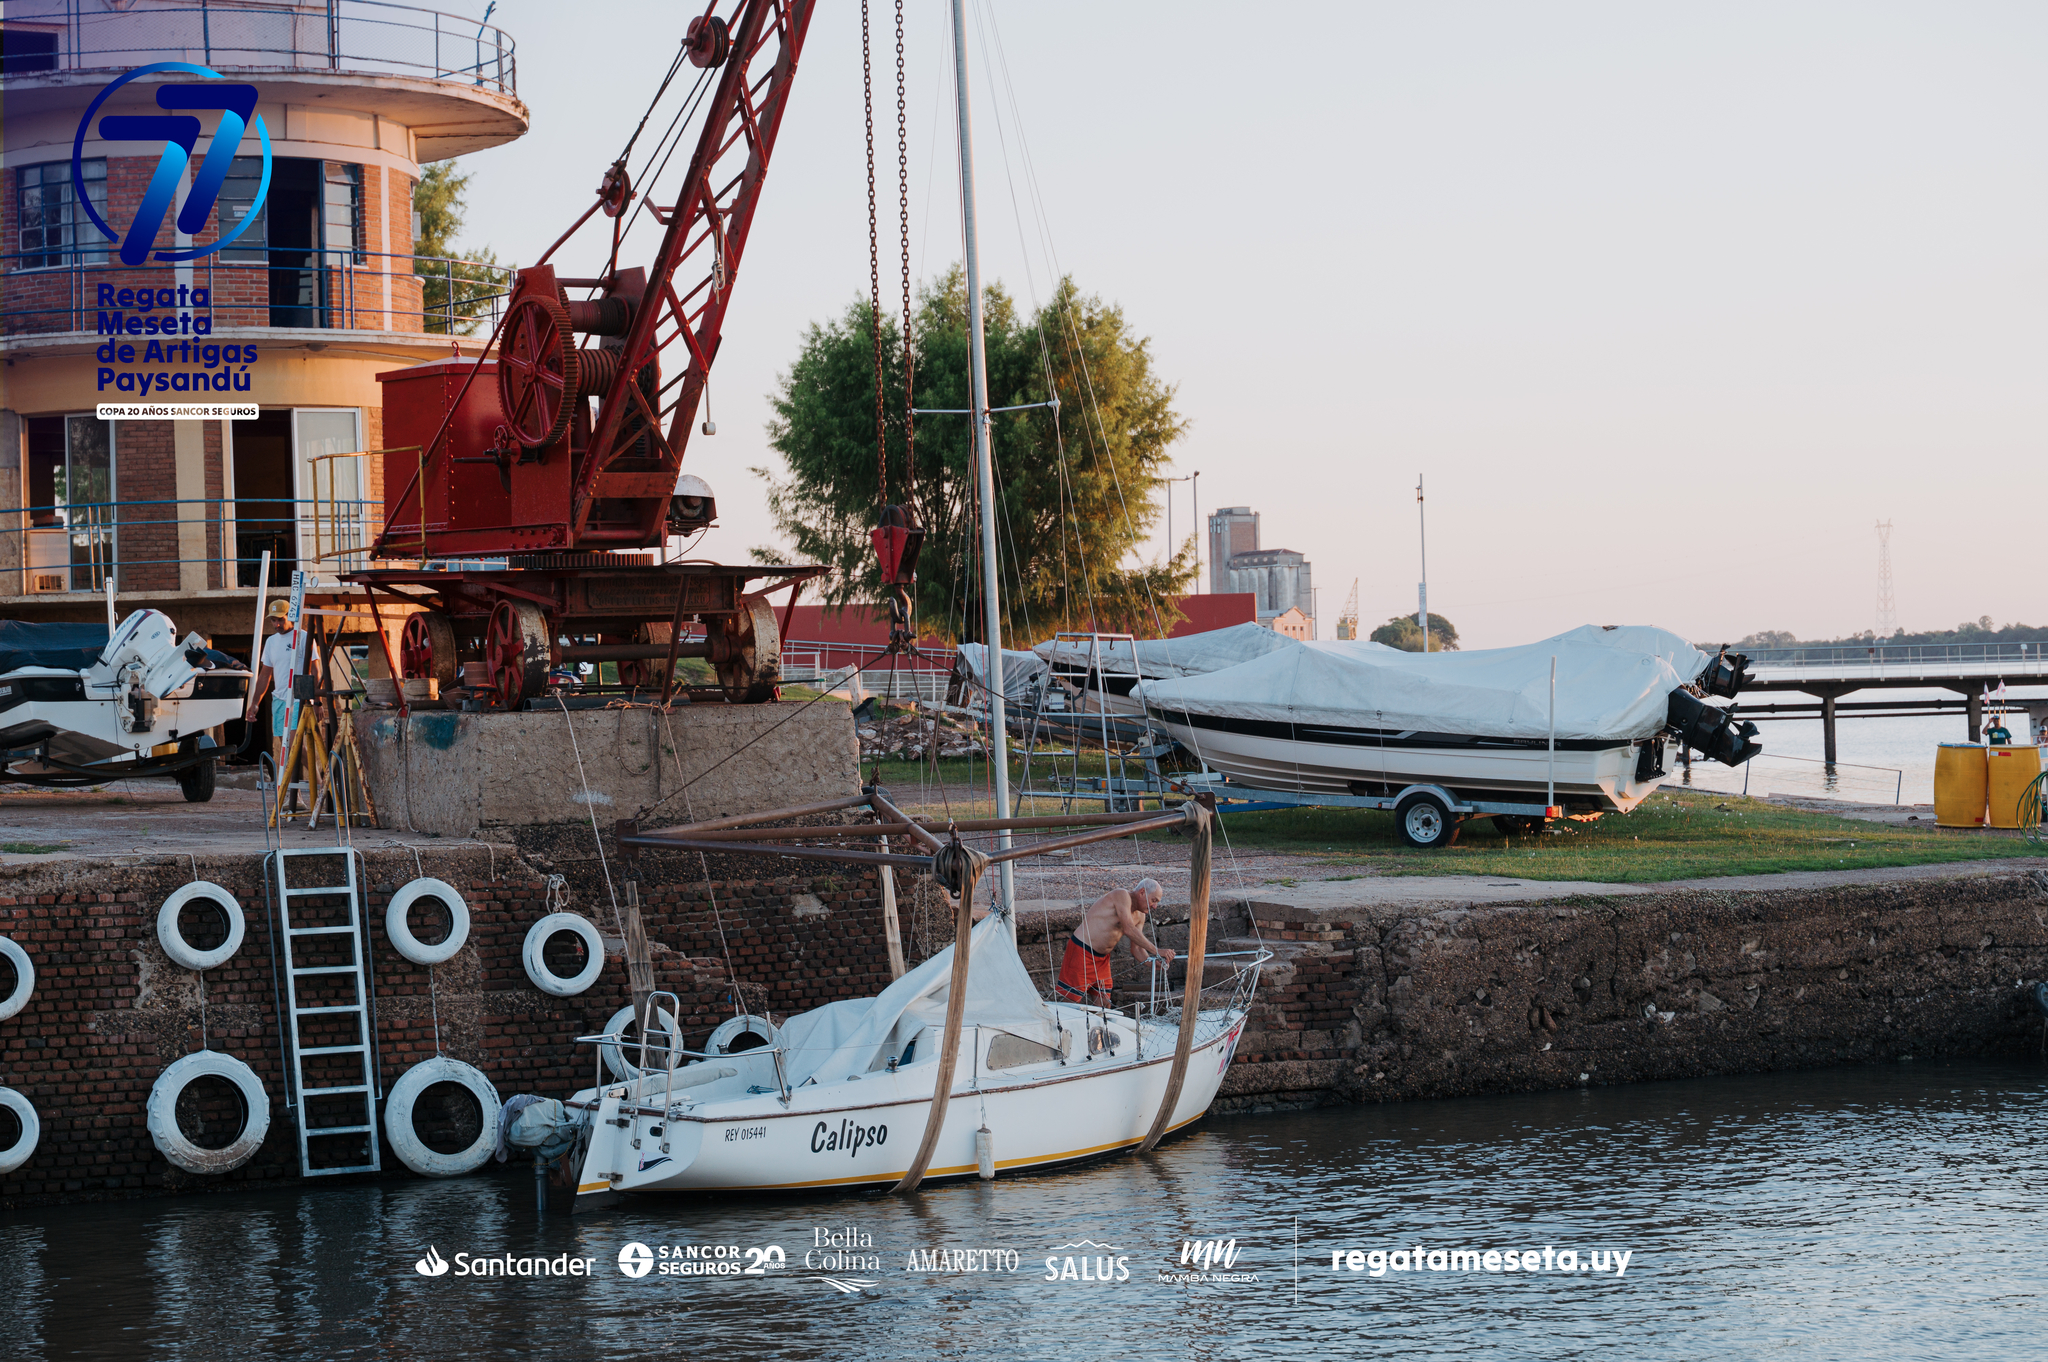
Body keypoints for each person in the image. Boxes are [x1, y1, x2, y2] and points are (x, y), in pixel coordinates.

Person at [1055, 877, 1175, 1006]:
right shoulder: (1122, 895)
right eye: (1153, 900)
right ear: (1142, 892)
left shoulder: (1141, 915)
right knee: (1071, 1002)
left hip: (1102, 959)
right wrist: (1157, 951)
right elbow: (1129, 929)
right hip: (1082, 951)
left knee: (1105, 1003)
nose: (1155, 906)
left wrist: (1151, 963)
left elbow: (1137, 948)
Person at [243, 599, 307, 775]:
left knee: (294, 745)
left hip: (298, 698)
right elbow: (265, 675)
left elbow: (315, 669)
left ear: (289, 617)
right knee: (285, 745)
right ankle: (308, 785)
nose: (277, 624)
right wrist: (255, 703)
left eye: (280, 619)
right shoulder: (271, 642)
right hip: (279, 699)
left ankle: (321, 783)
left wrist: (316, 700)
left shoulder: (303, 637)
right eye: (273, 620)